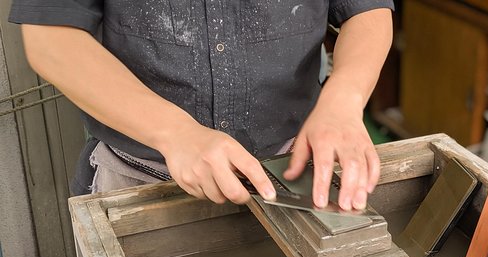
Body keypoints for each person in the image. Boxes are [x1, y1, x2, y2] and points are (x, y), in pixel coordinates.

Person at [9, 1, 394, 211]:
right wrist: (175, 133)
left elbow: (368, 11)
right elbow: (50, 38)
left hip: (293, 170)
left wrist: (344, 98)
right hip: (140, 178)